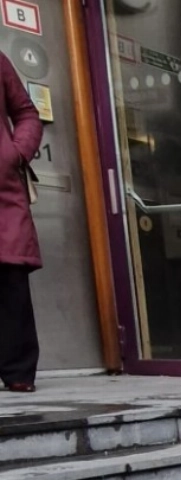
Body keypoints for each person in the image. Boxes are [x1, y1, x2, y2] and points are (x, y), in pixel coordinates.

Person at [0, 50, 43, 393]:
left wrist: (14, 153)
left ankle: (18, 372)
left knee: (10, 275)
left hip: (2, 191)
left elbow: (27, 113)